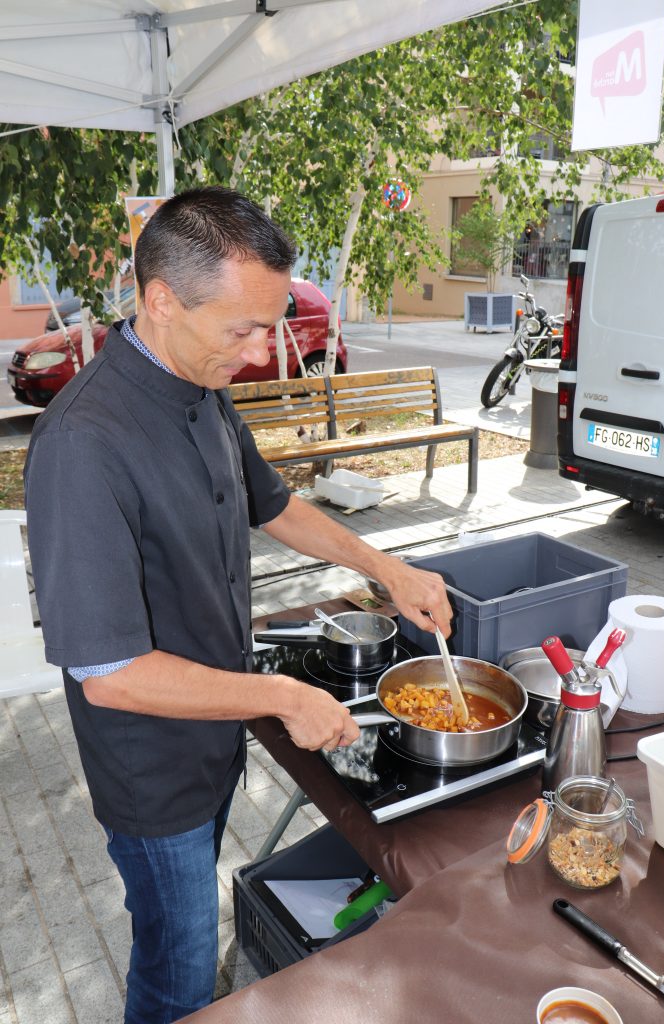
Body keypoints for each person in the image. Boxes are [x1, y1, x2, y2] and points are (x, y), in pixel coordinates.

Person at [24, 187, 452, 1024]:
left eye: (271, 323)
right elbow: (108, 674)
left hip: (217, 733)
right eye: (243, 328)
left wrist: (384, 566)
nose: (263, 352)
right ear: (160, 301)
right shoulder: (82, 446)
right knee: (176, 973)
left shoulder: (200, 381)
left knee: (176, 936)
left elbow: (273, 505)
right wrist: (284, 695)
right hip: (155, 774)